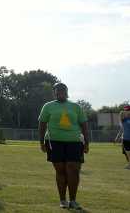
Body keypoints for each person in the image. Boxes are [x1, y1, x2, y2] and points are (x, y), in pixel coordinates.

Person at [39, 82, 89, 210]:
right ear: (54, 92)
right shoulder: (47, 106)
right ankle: (63, 200)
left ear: (67, 92)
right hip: (54, 142)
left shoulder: (76, 107)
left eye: (62, 90)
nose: (60, 92)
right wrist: (41, 142)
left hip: (75, 143)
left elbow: (84, 125)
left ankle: (73, 200)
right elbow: (42, 124)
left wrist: (87, 143)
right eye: (57, 90)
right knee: (60, 171)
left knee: (73, 170)